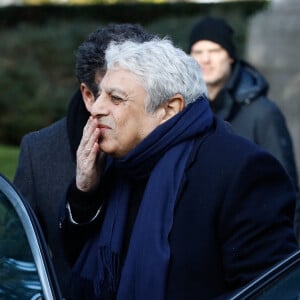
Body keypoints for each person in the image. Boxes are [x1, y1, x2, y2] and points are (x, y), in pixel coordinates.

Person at [61, 37, 299, 299]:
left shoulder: (240, 170)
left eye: (115, 98)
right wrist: (84, 191)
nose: (96, 108)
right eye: (100, 94)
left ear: (170, 109)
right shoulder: (115, 160)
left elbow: (272, 290)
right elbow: (74, 259)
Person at [13, 23, 155, 299]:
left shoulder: (169, 142)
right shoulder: (40, 151)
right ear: (89, 96)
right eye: (113, 95)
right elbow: (21, 256)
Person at [188, 16, 299, 190]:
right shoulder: (185, 111)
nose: (205, 59)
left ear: (230, 56)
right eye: (198, 52)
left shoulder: (263, 113)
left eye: (215, 51)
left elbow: (286, 188)